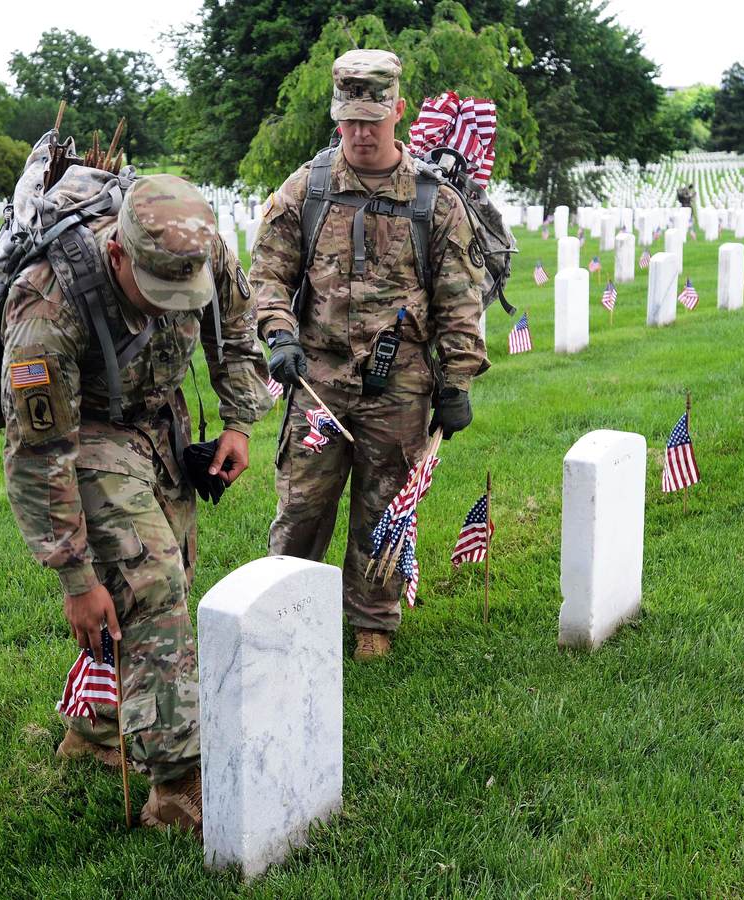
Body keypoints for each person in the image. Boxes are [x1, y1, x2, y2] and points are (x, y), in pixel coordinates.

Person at [0, 174, 272, 834]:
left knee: (166, 580)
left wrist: (238, 421)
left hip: (160, 420)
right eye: (156, 293)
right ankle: (177, 787)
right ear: (119, 254)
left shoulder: (199, 249)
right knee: (151, 581)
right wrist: (76, 577)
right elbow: (38, 456)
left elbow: (236, 328)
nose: (170, 306)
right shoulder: (48, 311)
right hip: (87, 429)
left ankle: (96, 727)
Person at [249, 49, 488, 661]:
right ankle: (283, 610)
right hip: (318, 380)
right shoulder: (308, 189)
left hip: (400, 384)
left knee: (384, 504)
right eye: (349, 120)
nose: (359, 133)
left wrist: (457, 381)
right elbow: (268, 273)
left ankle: (373, 620)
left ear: (398, 111)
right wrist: (279, 333)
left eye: (371, 121)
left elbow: (460, 298)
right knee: (302, 505)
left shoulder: (434, 201)